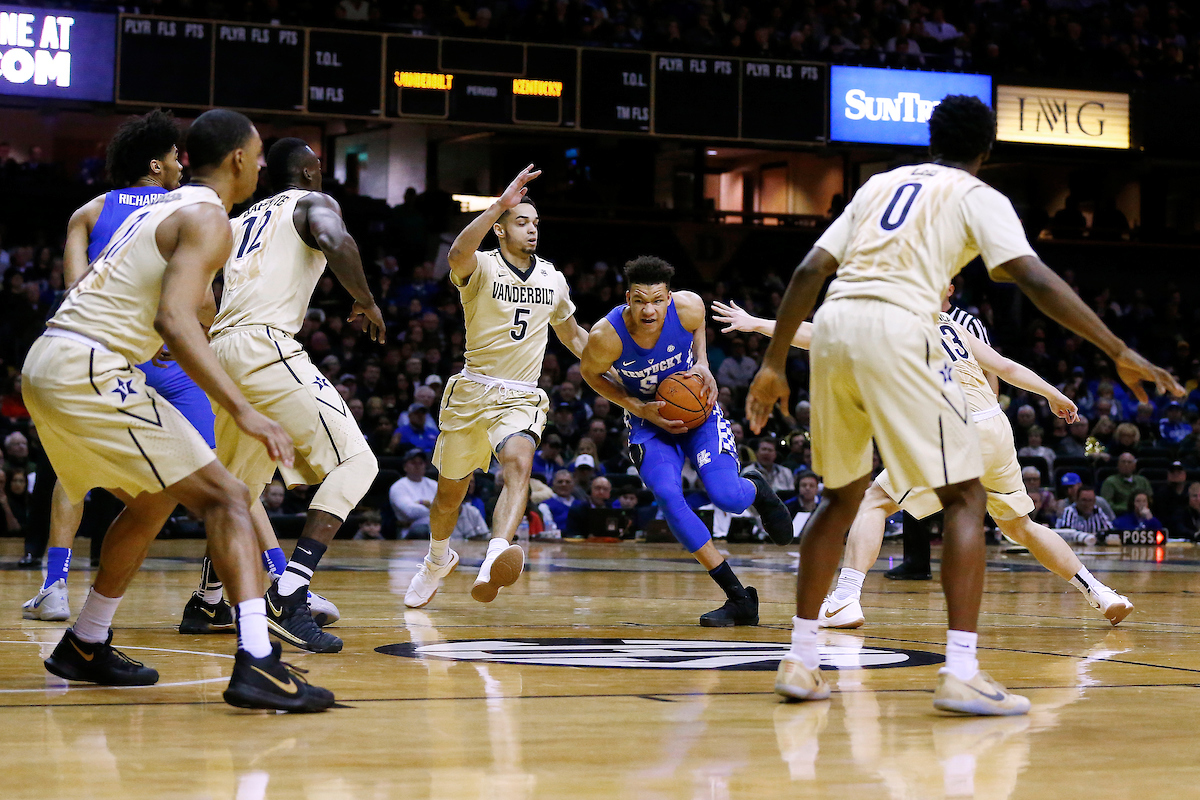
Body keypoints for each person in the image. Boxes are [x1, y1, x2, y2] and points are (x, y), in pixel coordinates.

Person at [744, 95, 1176, 713]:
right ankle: (963, 672)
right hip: (902, 330)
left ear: (931, 139)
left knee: (843, 498)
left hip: (835, 326)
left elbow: (810, 269)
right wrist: (1116, 348)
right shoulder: (976, 194)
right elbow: (1033, 277)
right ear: (986, 151)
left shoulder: (879, 185)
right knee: (967, 498)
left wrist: (772, 361)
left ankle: (801, 660)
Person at [20, 109, 333, 711]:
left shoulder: (160, 208)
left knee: (154, 499)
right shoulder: (208, 217)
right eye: (258, 156)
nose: (261, 166)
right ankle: (258, 662)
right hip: (89, 367)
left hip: (53, 361)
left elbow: (168, 304)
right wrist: (243, 409)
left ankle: (85, 642)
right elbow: (174, 317)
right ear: (239, 159)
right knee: (228, 497)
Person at [718, 285, 1134, 635]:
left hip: (954, 432)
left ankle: (844, 598)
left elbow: (816, 336)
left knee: (874, 503)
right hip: (994, 426)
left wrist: (757, 323)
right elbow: (1006, 367)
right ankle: (1100, 592)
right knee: (1019, 525)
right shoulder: (949, 324)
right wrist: (1053, 394)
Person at [208, 137, 385, 653]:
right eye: (319, 165)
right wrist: (365, 299)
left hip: (218, 351)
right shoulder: (313, 202)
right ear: (307, 172)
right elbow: (336, 239)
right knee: (357, 463)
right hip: (263, 346)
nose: (323, 173)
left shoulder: (237, 222)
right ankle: (289, 593)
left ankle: (208, 599)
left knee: (235, 489)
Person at [404, 166, 591, 609]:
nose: (532, 229)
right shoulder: (482, 265)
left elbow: (574, 337)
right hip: (473, 390)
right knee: (448, 497)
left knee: (519, 463)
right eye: (521, 222)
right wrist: (498, 205)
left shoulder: (553, 278)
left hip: (522, 394)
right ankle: (436, 560)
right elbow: (456, 253)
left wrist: (620, 373)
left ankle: (495, 553)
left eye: (535, 223)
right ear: (501, 229)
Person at [580, 256, 793, 626]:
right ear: (628, 298)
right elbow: (591, 374)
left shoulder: (689, 306)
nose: (649, 310)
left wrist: (703, 363)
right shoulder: (606, 336)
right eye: (639, 300)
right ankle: (739, 598)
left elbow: (698, 327)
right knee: (667, 495)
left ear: (669, 297)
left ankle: (755, 488)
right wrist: (638, 407)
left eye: (657, 300)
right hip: (649, 422)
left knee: (728, 498)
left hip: (699, 415)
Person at [389, 449, 437, 537]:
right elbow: (411, 511)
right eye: (413, 463)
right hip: (410, 533)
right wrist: (435, 508)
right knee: (421, 531)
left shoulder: (434, 484)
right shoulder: (398, 487)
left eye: (420, 463)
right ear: (405, 467)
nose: (417, 466)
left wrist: (423, 503)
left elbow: (448, 508)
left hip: (436, 529)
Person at [538, 468, 582, 533]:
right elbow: (549, 529)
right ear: (553, 484)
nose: (564, 485)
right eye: (560, 482)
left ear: (573, 485)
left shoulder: (581, 505)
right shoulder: (545, 506)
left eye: (568, 482)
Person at [1155, 461, 1191, 526]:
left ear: (1184, 475)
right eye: (1172, 472)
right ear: (1168, 475)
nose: (1176, 475)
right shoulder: (1161, 494)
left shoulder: (1191, 492)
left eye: (1179, 472)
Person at [791, 470, 821, 539]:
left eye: (811, 486)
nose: (807, 488)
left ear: (817, 488)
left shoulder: (823, 508)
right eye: (804, 485)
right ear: (798, 487)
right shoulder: (788, 507)